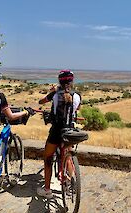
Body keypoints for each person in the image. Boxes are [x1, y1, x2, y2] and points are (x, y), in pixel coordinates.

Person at [37, 69, 81, 198]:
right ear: (72, 81)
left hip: (57, 131)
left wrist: (51, 91)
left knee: (48, 157)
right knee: (67, 153)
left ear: (59, 81)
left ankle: (47, 190)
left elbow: (41, 102)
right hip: (70, 131)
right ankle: (69, 181)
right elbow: (77, 108)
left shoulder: (55, 94)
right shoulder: (77, 95)